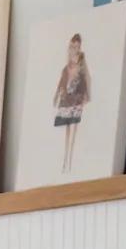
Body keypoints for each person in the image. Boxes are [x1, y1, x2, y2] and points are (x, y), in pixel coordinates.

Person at [53, 33, 91, 173]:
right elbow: (63, 77)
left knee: (74, 128)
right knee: (67, 129)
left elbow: (86, 77)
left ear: (79, 47)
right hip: (66, 98)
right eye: (72, 46)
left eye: (76, 46)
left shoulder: (81, 62)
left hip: (76, 98)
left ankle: (70, 161)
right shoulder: (67, 64)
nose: (74, 48)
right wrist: (57, 94)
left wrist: (87, 95)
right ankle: (65, 160)